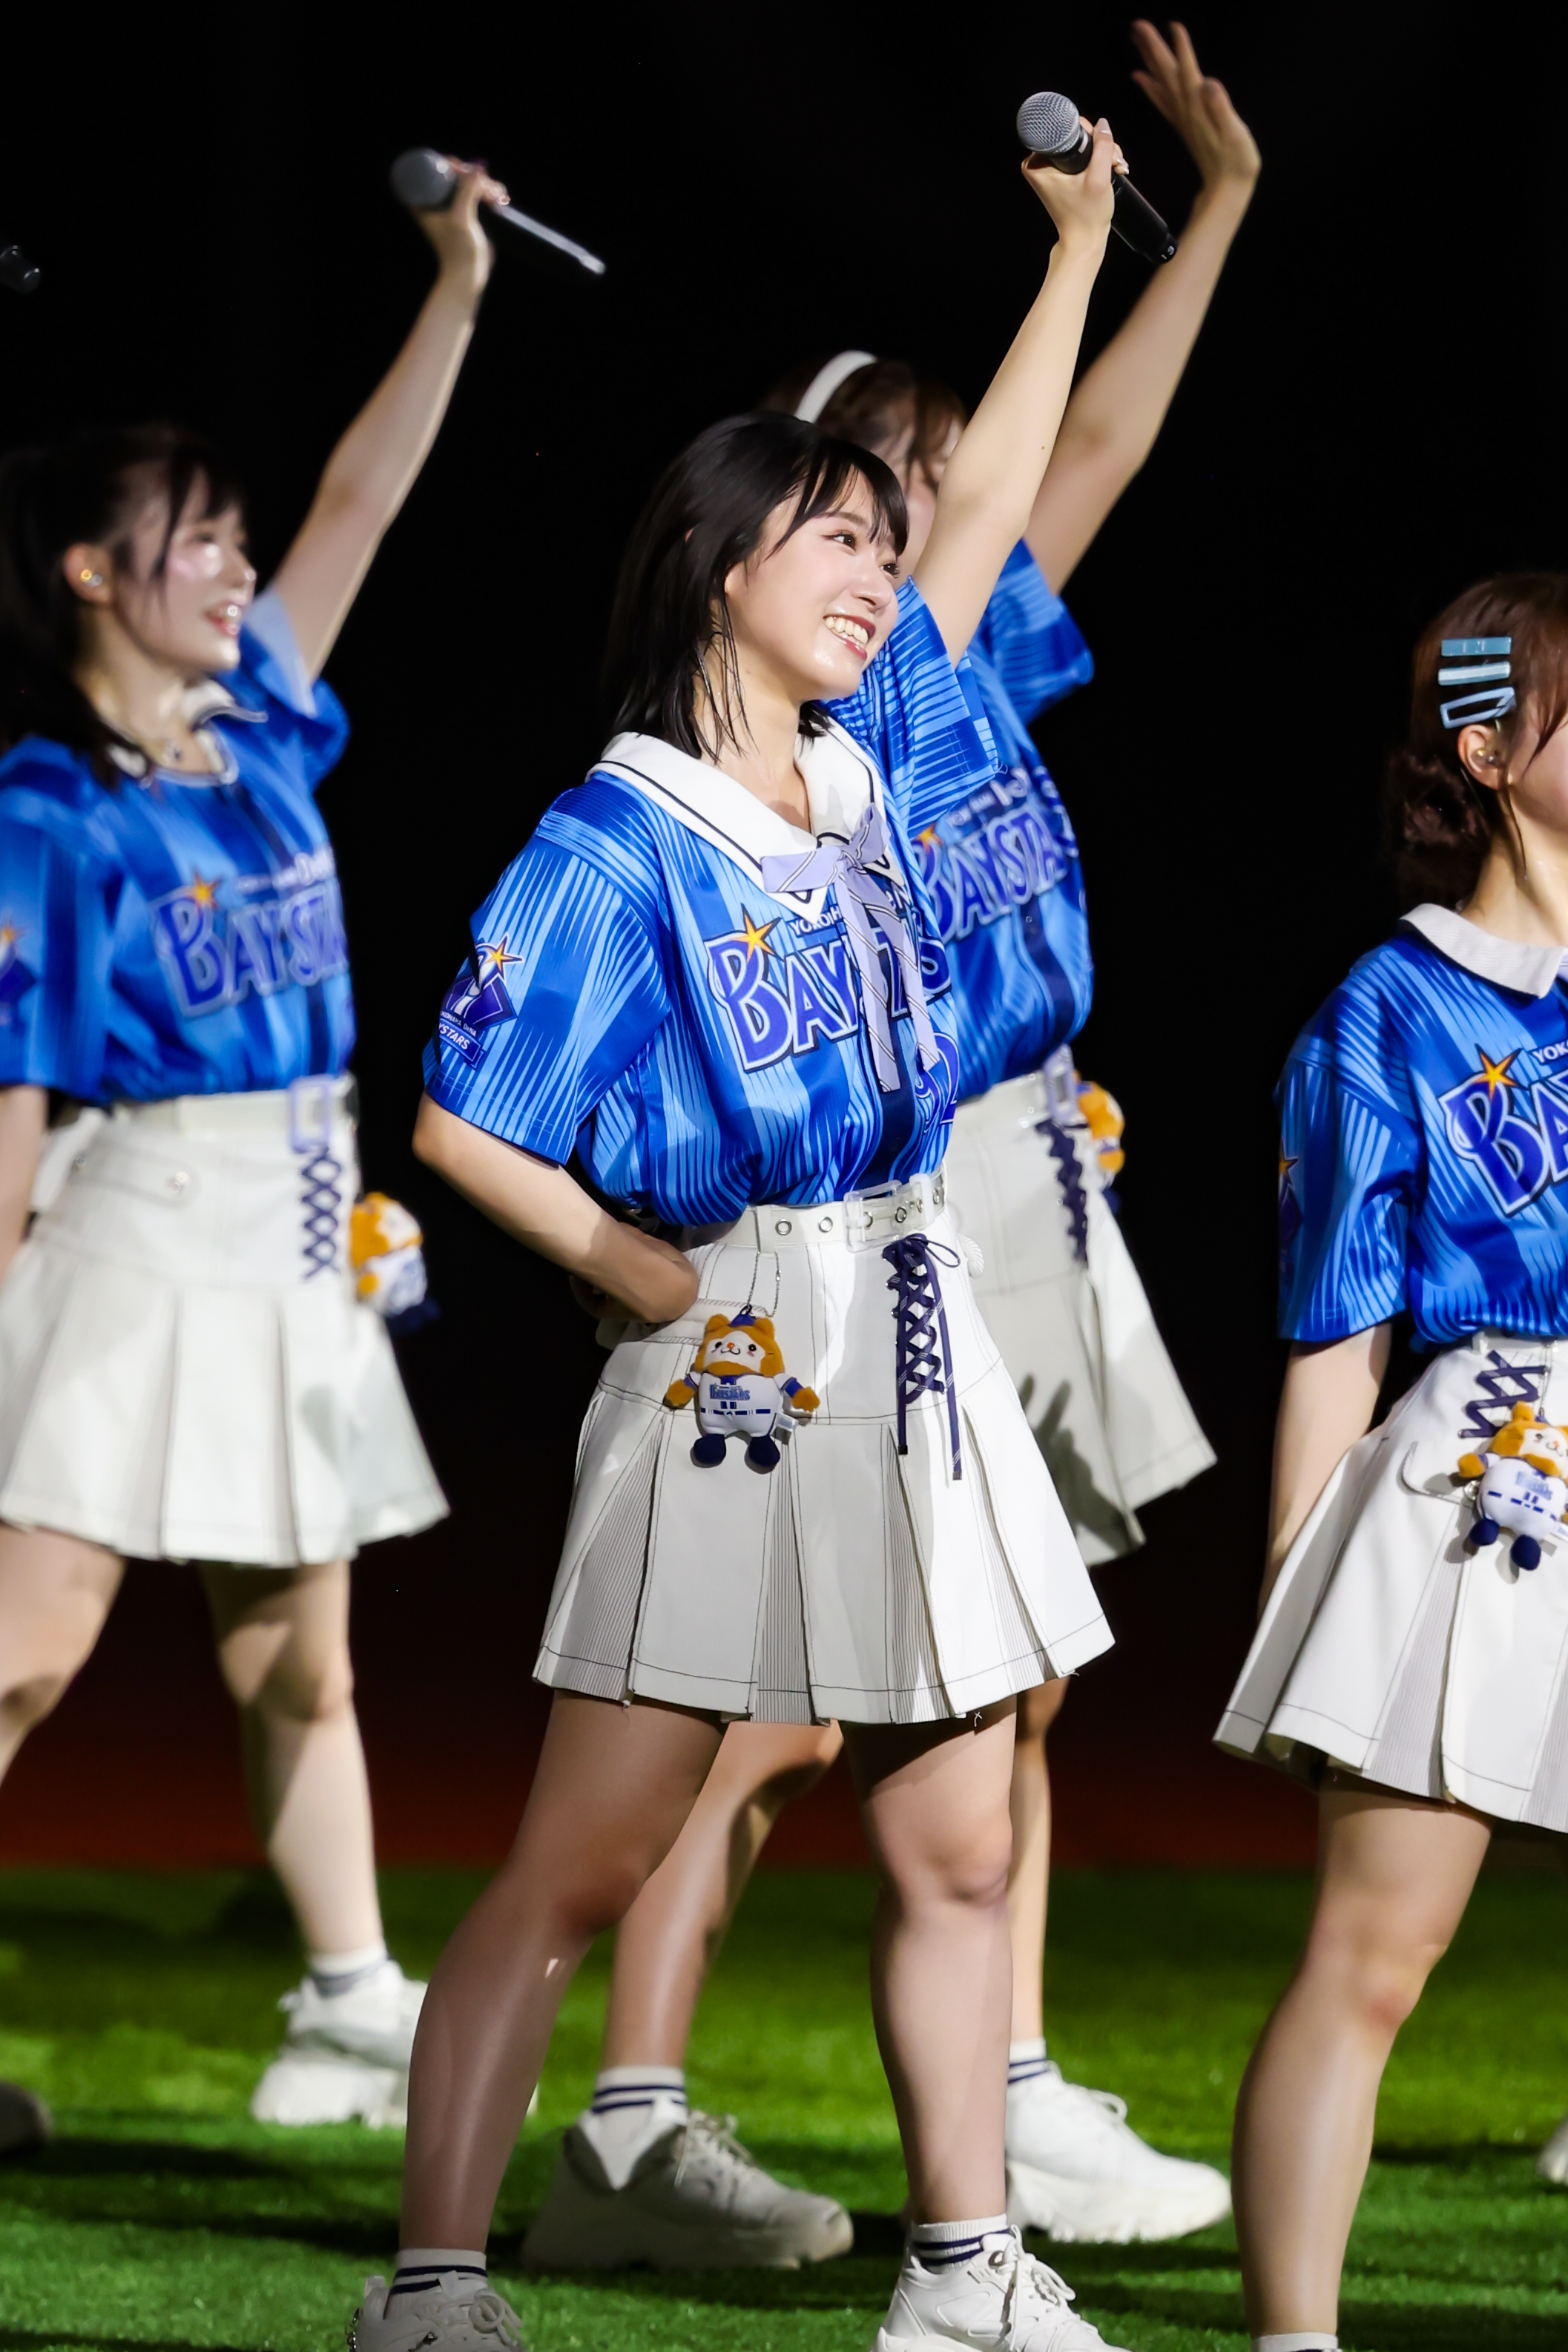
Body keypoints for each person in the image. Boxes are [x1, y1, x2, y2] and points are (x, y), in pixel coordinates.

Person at [352, 122, 1133, 2352]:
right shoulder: (618, 832)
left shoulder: (867, 771)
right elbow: (460, 1119)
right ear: (714, 562)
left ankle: (962, 2280)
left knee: (960, 1841)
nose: (884, 573)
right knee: (582, 1861)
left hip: (914, 1305)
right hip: (739, 1347)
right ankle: (431, 2286)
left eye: (887, 543)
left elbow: (1002, 499)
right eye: (836, 539)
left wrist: (1075, 252)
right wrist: (631, 1273)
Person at [520, 19, 1256, 2271]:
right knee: (786, 1698)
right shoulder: (837, 694)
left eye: (926, 477)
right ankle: (635, 2114)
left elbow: (1089, 433)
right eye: (888, 478)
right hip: (880, 1196)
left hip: (1013, 1167)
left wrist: (1206, 210)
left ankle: (994, 2092)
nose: (934, 501)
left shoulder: (967, 655)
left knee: (1003, 1664)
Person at [0, 161, 504, 2129]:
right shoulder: (47, 804)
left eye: (231, 534)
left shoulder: (262, 722)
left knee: (302, 1659)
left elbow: (363, 497)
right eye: (192, 538)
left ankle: (349, 2000)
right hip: (134, 1224)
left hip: (296, 1226)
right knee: (27, 1652)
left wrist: (456, 284)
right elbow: (16, 1086)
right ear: (83, 571)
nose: (235, 566)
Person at [1216, 573, 1568, 2352]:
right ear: (1488, 750)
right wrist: (1299, 1598)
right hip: (1489, 1478)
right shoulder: (1388, 1008)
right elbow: (1333, 1335)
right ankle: (1295, 2336)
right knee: (1373, 1957)